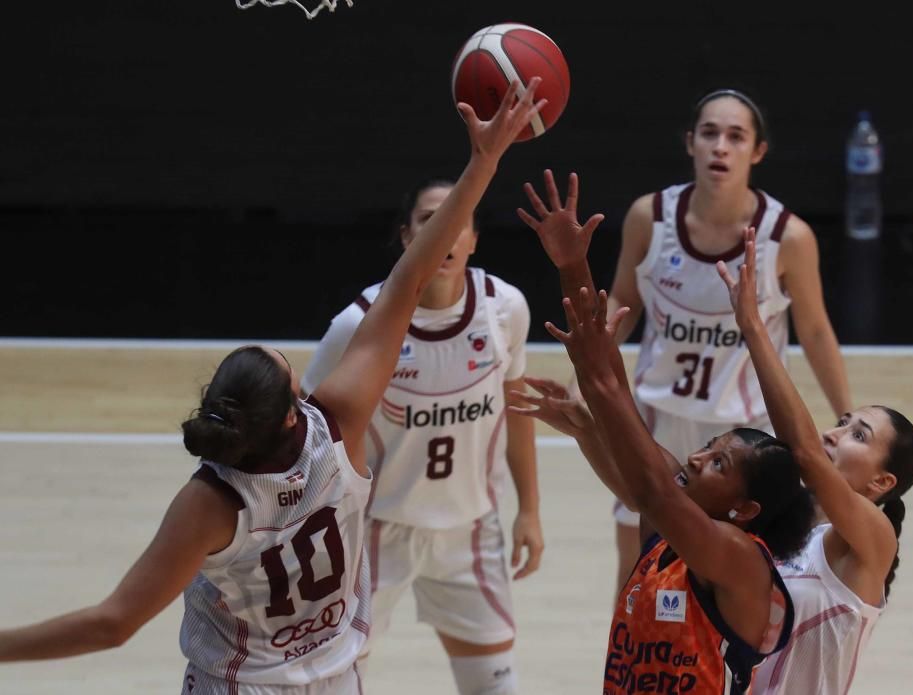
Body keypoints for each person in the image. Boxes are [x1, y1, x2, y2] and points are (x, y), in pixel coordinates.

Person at [0, 78, 545, 695]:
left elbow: (112, 623)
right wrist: (484, 161)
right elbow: (412, 275)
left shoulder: (210, 503)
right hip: (336, 679)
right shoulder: (338, 428)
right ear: (293, 413)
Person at [512, 174, 813, 694]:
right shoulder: (670, 530)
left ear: (744, 510)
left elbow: (646, 476)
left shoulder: (739, 560)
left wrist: (596, 379)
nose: (696, 459)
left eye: (719, 464)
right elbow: (634, 459)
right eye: (708, 451)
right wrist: (572, 267)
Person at [573, 88, 852, 591]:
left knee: (750, 573)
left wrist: (844, 416)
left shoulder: (788, 236)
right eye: (709, 133)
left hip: (746, 432)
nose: (720, 146)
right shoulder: (650, 216)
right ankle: (630, 662)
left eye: (735, 136)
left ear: (757, 151)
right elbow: (620, 304)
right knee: (641, 566)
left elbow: (813, 330)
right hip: (659, 418)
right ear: (690, 143)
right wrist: (587, 378)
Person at [299, 177, 542, 694]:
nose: (447, 230)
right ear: (407, 236)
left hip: (471, 530)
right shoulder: (359, 324)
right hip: (373, 531)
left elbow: (518, 410)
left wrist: (530, 509)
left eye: (459, 219)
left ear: (474, 237)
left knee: (496, 684)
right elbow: (307, 429)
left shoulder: (505, 309)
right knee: (332, 677)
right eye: (431, 218)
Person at [716, 228, 913, 694]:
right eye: (844, 421)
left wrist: (753, 327)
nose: (834, 432)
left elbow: (807, 453)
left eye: (858, 434)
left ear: (881, 481)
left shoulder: (872, 541)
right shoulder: (778, 524)